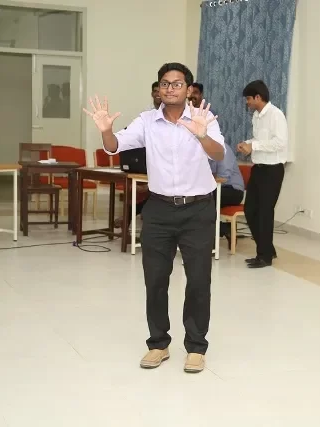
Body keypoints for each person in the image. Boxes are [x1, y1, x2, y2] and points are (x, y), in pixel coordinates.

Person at [85, 62, 225, 373]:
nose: (170, 88)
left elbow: (218, 154)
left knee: (199, 280)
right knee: (156, 280)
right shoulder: (147, 121)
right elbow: (115, 146)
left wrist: (202, 135)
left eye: (177, 83)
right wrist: (106, 130)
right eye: (164, 83)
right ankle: (158, 344)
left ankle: (196, 347)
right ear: (158, 89)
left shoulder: (202, 117)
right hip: (159, 209)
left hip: (198, 209)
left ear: (189, 89)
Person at [236, 80, 288, 269]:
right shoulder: (257, 117)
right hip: (258, 168)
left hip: (272, 170)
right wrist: (248, 143)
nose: (247, 103)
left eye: (249, 99)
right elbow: (259, 139)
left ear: (258, 97)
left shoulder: (276, 115)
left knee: (265, 213)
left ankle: (264, 256)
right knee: (250, 210)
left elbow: (280, 143)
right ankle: (268, 249)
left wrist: (254, 146)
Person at [210, 144, 245, 242]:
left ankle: (216, 234)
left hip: (233, 190)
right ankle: (223, 228)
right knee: (197, 199)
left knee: (203, 200)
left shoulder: (223, 148)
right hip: (218, 188)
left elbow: (223, 177)